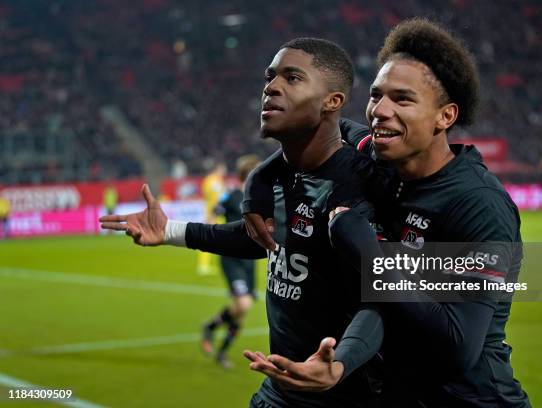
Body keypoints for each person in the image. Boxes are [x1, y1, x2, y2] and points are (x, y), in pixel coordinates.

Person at [243, 18, 531, 408]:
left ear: (444, 117)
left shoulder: (477, 204)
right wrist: (258, 186)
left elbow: (458, 347)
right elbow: (328, 126)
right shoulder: (378, 161)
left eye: (403, 99)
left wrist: (370, 257)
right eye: (377, 95)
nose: (380, 110)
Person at [100, 37, 383, 408]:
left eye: (292, 77)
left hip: (342, 394)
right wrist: (170, 231)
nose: (271, 86)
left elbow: (383, 295)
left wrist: (340, 365)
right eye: (271, 76)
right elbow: (261, 239)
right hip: (280, 390)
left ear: (332, 101)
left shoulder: (361, 182)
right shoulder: (281, 176)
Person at [201, 154, 261, 369]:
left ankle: (214, 332)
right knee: (243, 304)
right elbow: (215, 212)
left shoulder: (259, 198)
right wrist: (209, 231)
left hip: (249, 260)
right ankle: (216, 339)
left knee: (241, 309)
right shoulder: (233, 196)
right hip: (232, 258)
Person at [197, 161, 227, 275]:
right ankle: (203, 266)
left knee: (220, 240)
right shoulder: (213, 181)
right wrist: (212, 214)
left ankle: (219, 264)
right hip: (213, 214)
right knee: (208, 240)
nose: (224, 171)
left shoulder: (215, 180)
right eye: (222, 169)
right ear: (218, 168)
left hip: (217, 214)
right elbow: (216, 198)